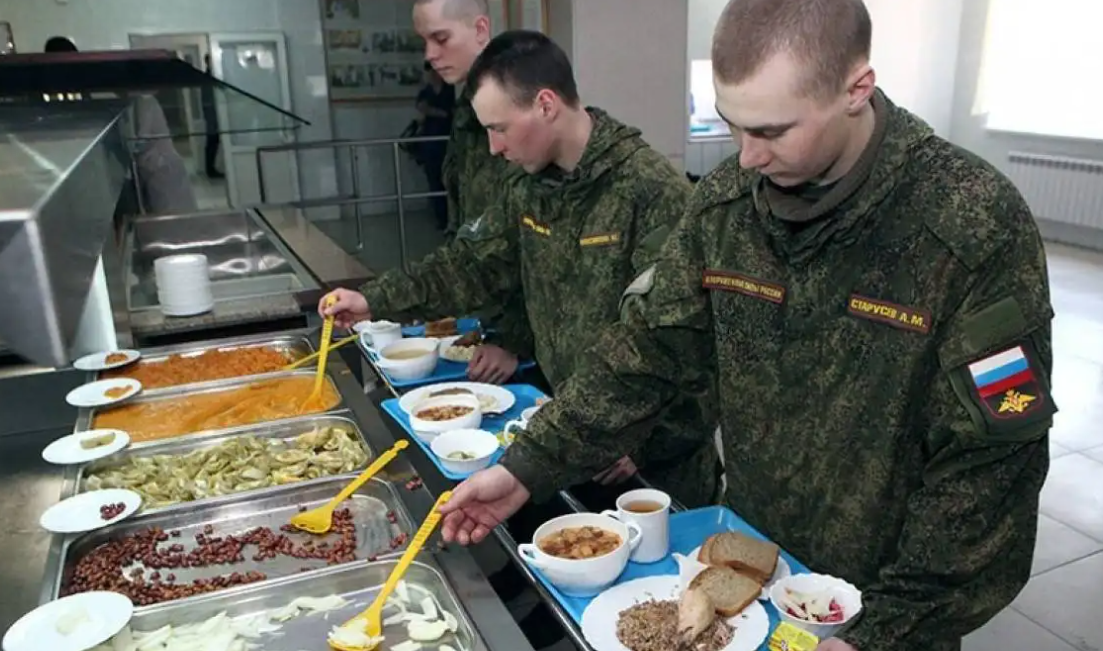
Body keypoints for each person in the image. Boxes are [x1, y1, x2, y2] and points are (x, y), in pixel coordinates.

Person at [438, 2, 1055, 650]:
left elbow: (992, 463)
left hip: (890, 604)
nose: (749, 156)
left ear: (856, 89)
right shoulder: (727, 208)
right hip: (752, 575)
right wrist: (527, 465)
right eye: (734, 126)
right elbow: (644, 351)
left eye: (772, 130)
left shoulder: (969, 225)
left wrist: (881, 631)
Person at [320, 30, 721, 510]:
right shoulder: (528, 185)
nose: (492, 147)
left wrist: (644, 438)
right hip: (568, 430)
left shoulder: (651, 191)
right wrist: (373, 300)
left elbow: (691, 347)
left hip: (651, 466)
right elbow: (474, 264)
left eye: (500, 128)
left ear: (546, 105)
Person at [409, 0, 534, 388]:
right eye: (425, 41)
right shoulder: (466, 111)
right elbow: (468, 228)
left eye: (440, 38)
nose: (430, 55)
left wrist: (514, 341)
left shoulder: (516, 106)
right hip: (486, 320)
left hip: (525, 344)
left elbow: (533, 245)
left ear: (481, 30)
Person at [43, 36, 198, 215]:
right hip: (143, 173)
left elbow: (136, 141)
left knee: (173, 218)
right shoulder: (123, 100)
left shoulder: (144, 102)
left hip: (162, 171)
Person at [414, 61, 456, 230]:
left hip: (447, 141)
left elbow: (451, 112)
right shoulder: (426, 92)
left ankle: (452, 218)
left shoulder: (450, 90)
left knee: (450, 180)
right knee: (433, 180)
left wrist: (435, 112)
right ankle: (441, 219)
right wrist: (441, 113)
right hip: (430, 142)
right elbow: (421, 108)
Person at [201, 55, 224, 179]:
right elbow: (208, 101)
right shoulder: (208, 78)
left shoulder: (214, 76)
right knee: (212, 142)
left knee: (213, 142)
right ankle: (210, 169)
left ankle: (211, 169)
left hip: (214, 115)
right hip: (212, 116)